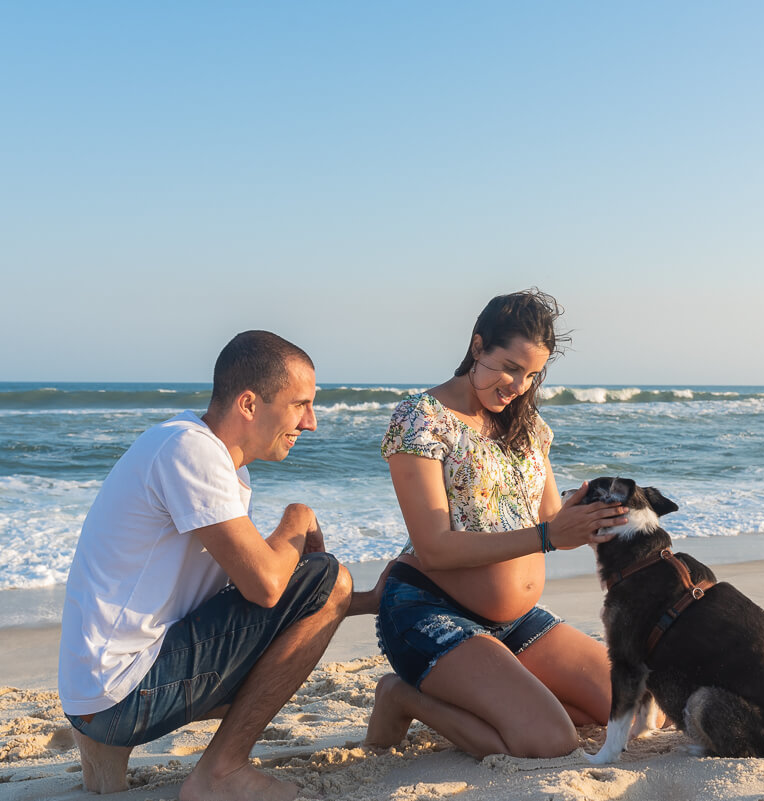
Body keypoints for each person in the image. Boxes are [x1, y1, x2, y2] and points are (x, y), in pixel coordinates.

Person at [58, 330, 382, 801]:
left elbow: (234, 604)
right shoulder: (192, 451)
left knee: (324, 585)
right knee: (326, 577)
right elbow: (267, 590)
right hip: (119, 693)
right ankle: (222, 771)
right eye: (300, 405)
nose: (310, 423)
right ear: (249, 404)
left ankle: (107, 752)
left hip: (97, 688)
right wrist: (297, 516)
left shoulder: (201, 455)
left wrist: (368, 601)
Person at [364, 289, 629, 759]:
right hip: (429, 611)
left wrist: (591, 518)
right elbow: (435, 549)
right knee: (550, 741)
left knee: (629, 708)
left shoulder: (528, 427)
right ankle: (402, 695)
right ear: (477, 346)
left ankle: (506, 700)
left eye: (530, 375)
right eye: (509, 366)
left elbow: (550, 523)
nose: (518, 385)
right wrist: (550, 535)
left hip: (516, 621)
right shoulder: (421, 419)